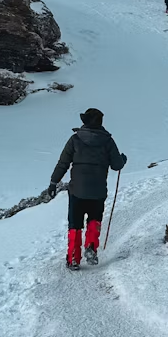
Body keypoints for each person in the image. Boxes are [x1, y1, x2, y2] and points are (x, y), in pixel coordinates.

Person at [49, 108, 127, 270]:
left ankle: (73, 258)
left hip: (77, 189)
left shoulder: (75, 139)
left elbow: (63, 163)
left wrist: (53, 182)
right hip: (98, 190)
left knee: (75, 224)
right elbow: (116, 165)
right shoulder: (107, 141)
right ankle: (91, 247)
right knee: (94, 219)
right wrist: (123, 159)